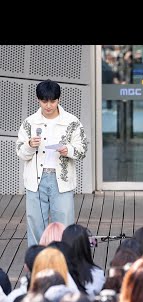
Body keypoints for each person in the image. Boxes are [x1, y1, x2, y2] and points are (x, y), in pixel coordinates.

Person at [16, 79, 87, 247]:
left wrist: (67, 150)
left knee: (64, 225)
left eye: (52, 101)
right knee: (35, 225)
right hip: (36, 180)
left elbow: (82, 149)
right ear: (38, 100)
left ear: (59, 99)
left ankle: (65, 264)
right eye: (44, 101)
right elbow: (20, 152)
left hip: (60, 180)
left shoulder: (72, 121)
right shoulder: (29, 123)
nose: (48, 105)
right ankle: (36, 264)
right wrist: (29, 145)